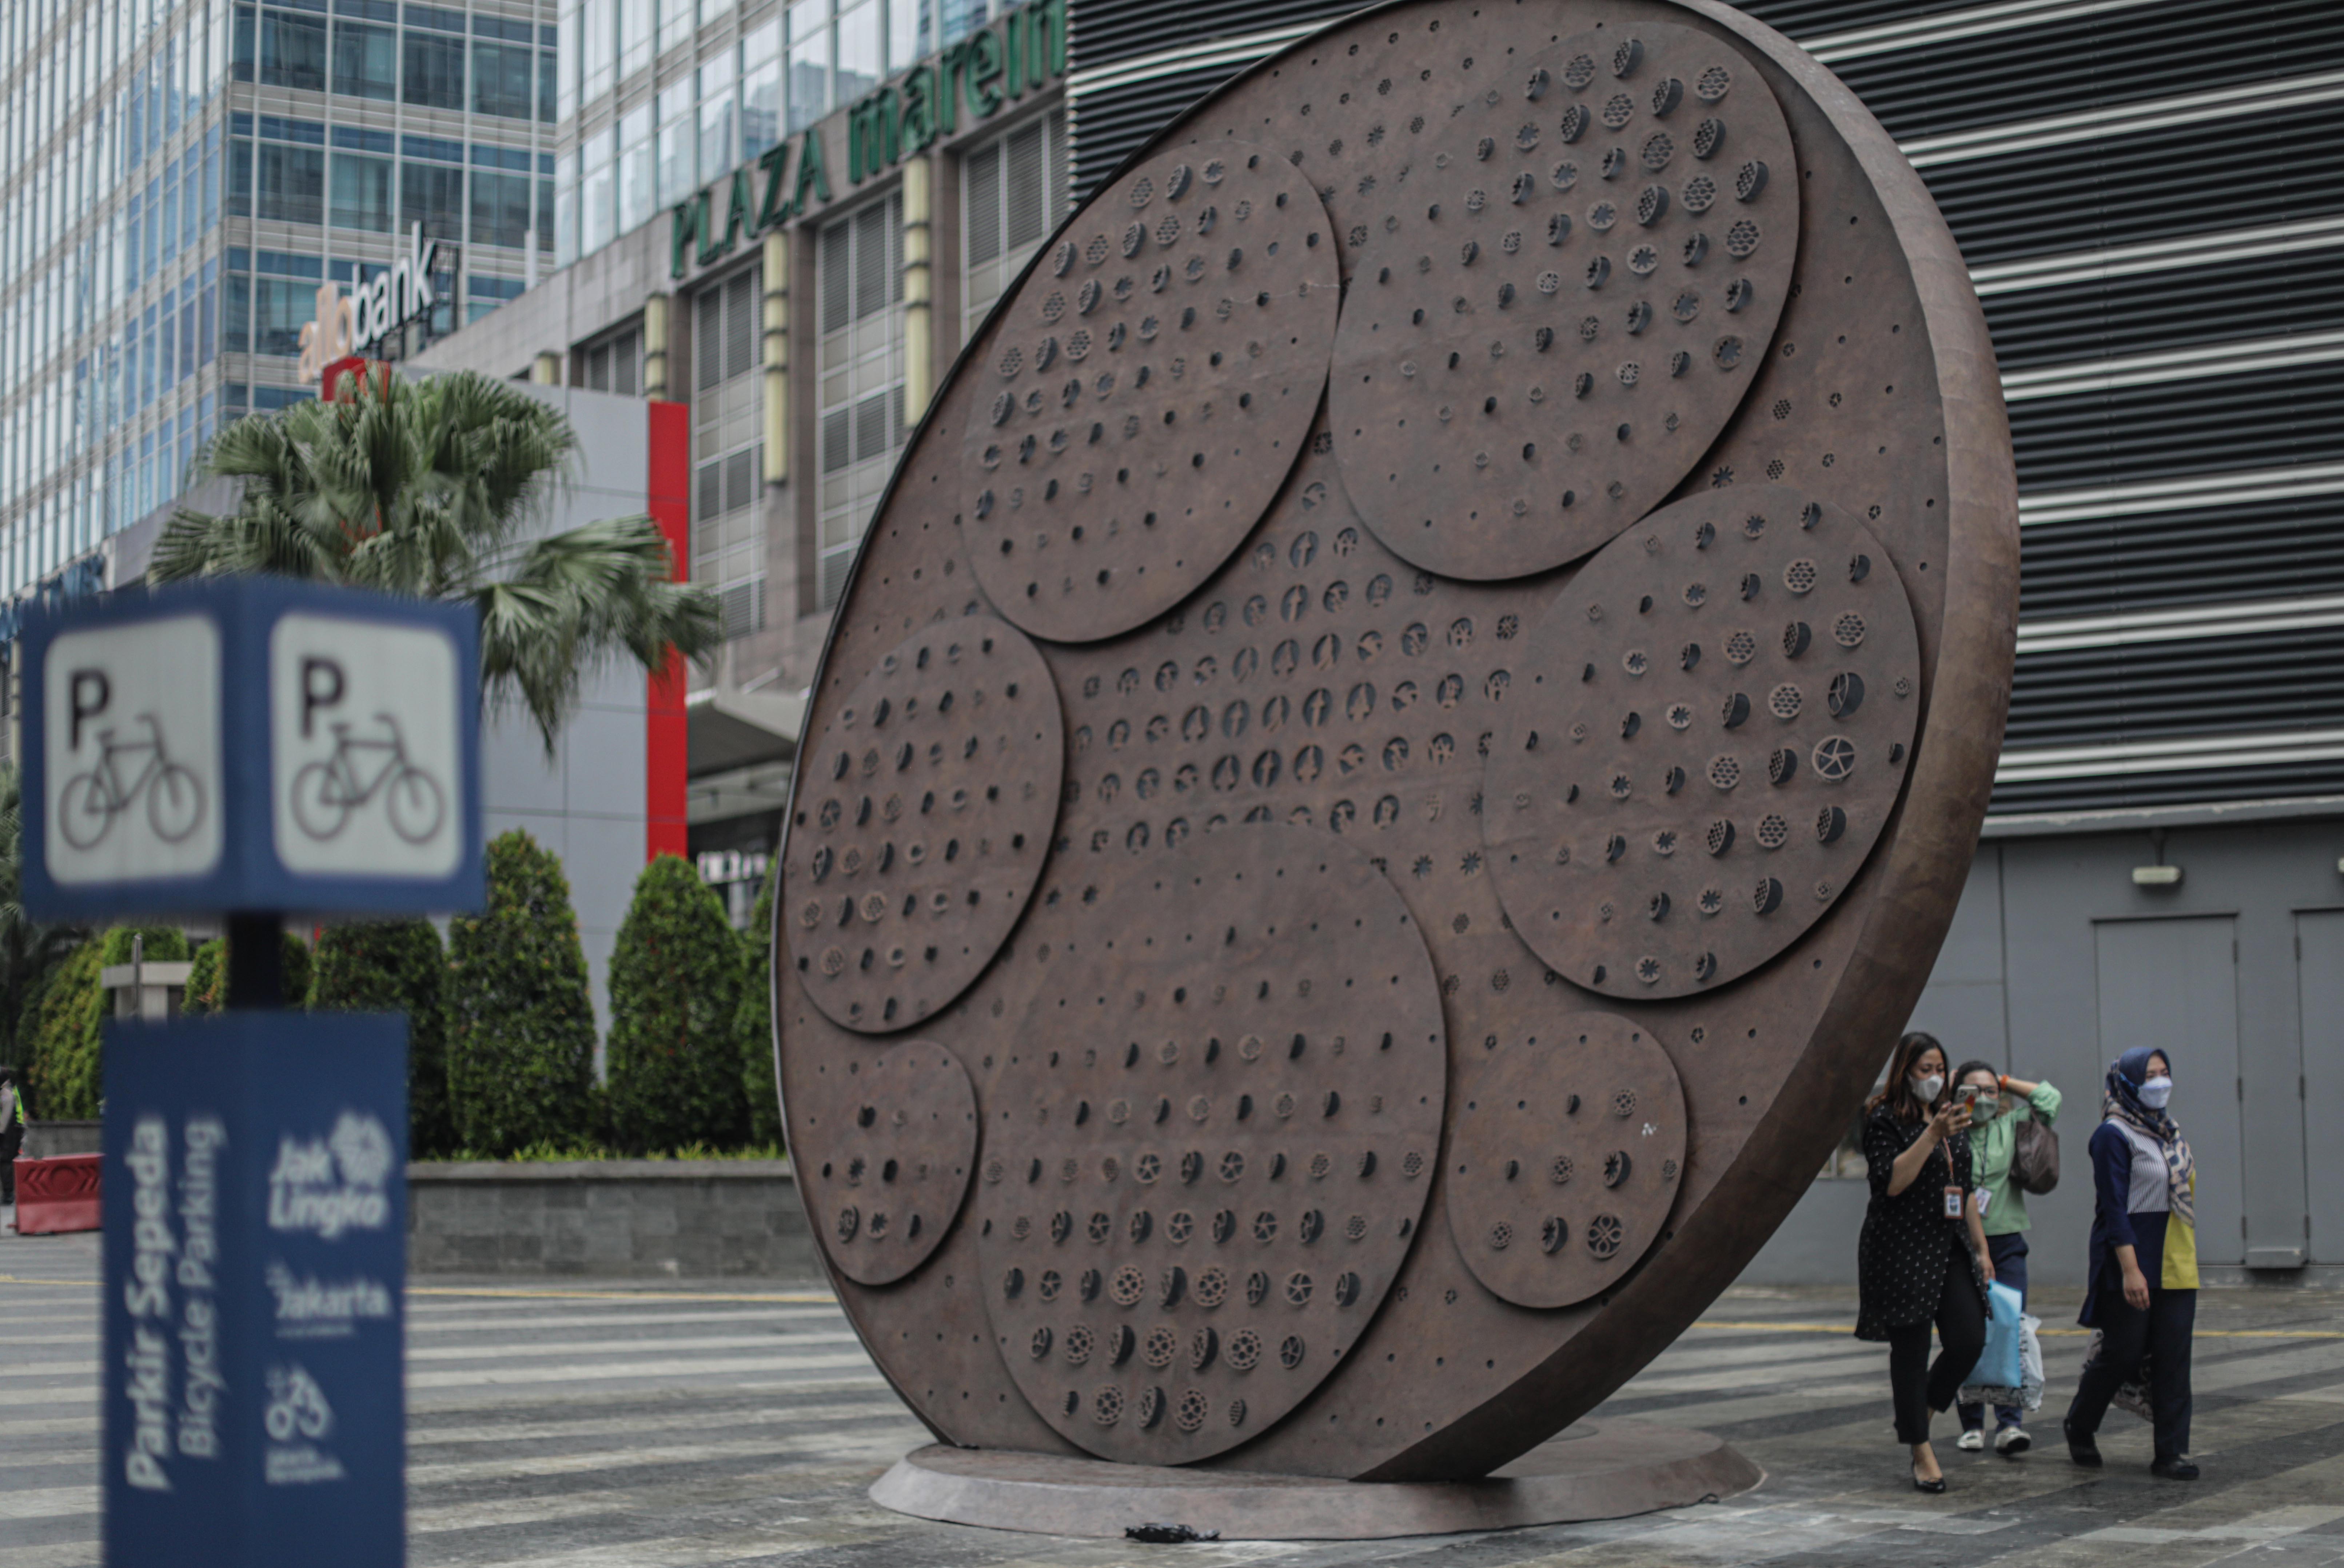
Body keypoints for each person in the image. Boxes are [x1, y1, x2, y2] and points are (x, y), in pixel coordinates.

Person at [1856, 1031, 1993, 1493]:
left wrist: (1981, 1248)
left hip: (1950, 1242)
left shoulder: (1951, 1117)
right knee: (1911, 1352)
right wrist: (1932, 1135)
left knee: (1969, 1339)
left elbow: (1965, 1188)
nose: (1935, 1079)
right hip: (1902, 1247)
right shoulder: (1883, 1118)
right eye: (1925, 1070)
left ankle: (1922, 1413)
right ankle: (1920, 1448)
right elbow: (1890, 1182)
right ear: (1905, 1072)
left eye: (1940, 1070)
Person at [2065, 1047, 2199, 1479]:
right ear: (2127, 1083)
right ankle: (2080, 1423)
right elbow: (2114, 1208)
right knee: (2121, 1354)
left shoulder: (2170, 1132)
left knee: (2174, 1360)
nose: (2160, 1083)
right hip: (2131, 1258)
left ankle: (2171, 1453)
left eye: (2165, 1073)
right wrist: (2131, 1268)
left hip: (2177, 1258)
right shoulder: (2113, 1134)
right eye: (2149, 1075)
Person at [1953, 1060, 2061, 1457]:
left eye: (1989, 1092)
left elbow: (2050, 1100)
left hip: (2007, 1244)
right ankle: (1971, 1424)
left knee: (2010, 1330)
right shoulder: (1949, 1131)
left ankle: (2010, 1424)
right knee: (1966, 1332)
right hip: (1961, 1246)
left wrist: (2004, 1081)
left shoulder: (2009, 1126)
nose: (1982, 1099)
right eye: (1972, 1091)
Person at [0, 1065, 21, 1217]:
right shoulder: (7, 1091)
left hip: (10, 1131)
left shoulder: (6, 1093)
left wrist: (1, 1133)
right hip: (11, 1130)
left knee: (5, 1161)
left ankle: (9, 1195)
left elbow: (6, 1116)